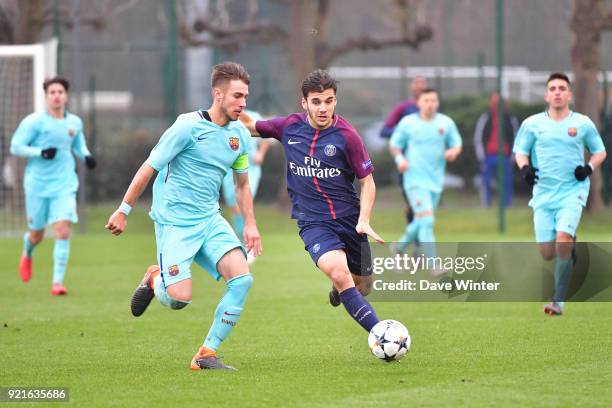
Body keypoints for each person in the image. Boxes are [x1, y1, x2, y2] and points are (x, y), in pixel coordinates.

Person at [105, 62, 262, 370]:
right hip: (175, 222)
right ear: (217, 94)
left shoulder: (240, 136)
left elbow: (241, 184)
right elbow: (149, 167)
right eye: (237, 96)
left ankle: (206, 354)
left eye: (245, 97)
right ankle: (155, 278)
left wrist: (251, 224)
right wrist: (124, 209)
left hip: (210, 219)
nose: (243, 104)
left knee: (242, 280)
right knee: (178, 300)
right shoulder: (187, 126)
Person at [240, 69, 383, 334]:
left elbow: (367, 181)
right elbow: (248, 127)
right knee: (340, 274)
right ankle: (382, 334)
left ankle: (341, 289)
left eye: (328, 101)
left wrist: (364, 219)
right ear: (304, 102)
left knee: (363, 286)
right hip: (313, 222)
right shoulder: (289, 126)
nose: (323, 108)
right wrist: (226, 107)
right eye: (316, 102)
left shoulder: (348, 136)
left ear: (335, 102)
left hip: (350, 220)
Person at [513, 72, 606, 316]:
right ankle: (569, 248)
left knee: (562, 240)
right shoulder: (532, 124)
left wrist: (588, 168)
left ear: (569, 94)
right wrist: (524, 169)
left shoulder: (583, 123)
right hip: (543, 195)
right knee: (547, 253)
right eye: (552, 88)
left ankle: (558, 301)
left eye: (562, 88)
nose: (557, 92)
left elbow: (600, 152)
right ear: (546, 95)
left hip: (572, 192)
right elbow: (520, 151)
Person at [10, 76, 97, 295]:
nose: (57, 95)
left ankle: (57, 283)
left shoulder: (74, 122)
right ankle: (27, 249)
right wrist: (39, 152)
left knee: (62, 229)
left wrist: (86, 156)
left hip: (65, 183)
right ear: (46, 96)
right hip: (37, 185)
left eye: (60, 91)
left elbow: (78, 144)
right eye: (52, 92)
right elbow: (16, 146)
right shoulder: (34, 122)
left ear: (66, 95)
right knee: (37, 234)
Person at [389, 88, 462, 271]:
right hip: (414, 179)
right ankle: (433, 264)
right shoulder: (408, 123)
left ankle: (398, 247)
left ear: (437, 103)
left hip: (436, 181)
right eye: (426, 100)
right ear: (419, 103)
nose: (430, 104)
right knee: (427, 220)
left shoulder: (446, 123)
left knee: (421, 220)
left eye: (433, 100)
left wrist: (453, 151)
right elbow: (395, 145)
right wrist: (400, 160)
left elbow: (457, 143)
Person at [221, 109, 271, 264]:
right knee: (233, 206)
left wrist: (260, 154)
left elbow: (266, 138)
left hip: (250, 168)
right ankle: (241, 243)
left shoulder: (253, 116)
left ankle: (248, 246)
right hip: (228, 169)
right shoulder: (222, 118)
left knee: (242, 202)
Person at [380, 76, 429, 228]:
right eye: (416, 83)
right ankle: (417, 244)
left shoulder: (432, 110)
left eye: (423, 84)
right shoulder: (404, 109)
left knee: (425, 205)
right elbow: (384, 131)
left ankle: (415, 243)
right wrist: (403, 132)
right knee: (413, 203)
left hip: (428, 164)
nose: (419, 87)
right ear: (411, 88)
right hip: (407, 164)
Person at [473, 93, 518, 207]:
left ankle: (506, 204)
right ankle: (486, 203)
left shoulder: (510, 119)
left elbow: (516, 137)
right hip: (489, 155)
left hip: (506, 156)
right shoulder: (486, 117)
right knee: (486, 180)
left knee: (506, 182)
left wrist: (513, 155)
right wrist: (481, 155)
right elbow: (479, 137)